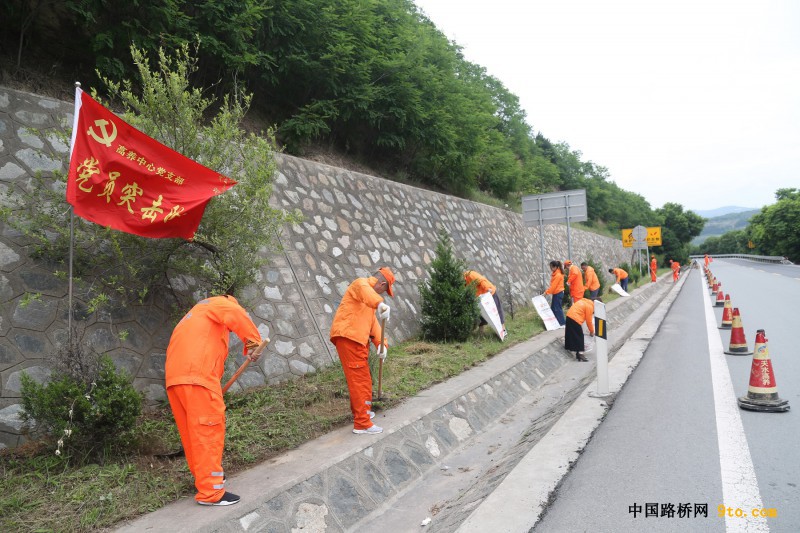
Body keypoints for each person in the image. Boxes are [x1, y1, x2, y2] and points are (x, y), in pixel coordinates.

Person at [165, 294, 263, 506]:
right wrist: (253, 342)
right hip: (197, 377)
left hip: (176, 380)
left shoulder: (195, 313)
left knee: (194, 434)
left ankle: (205, 480)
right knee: (208, 430)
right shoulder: (222, 304)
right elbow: (236, 314)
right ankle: (211, 492)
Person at [330, 267, 395, 435]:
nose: (384, 294)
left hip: (354, 341)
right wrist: (380, 303)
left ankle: (361, 411)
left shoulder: (368, 305)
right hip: (349, 338)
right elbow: (368, 293)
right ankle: (362, 422)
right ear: (381, 284)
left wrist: (382, 345)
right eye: (385, 290)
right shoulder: (361, 284)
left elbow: (374, 326)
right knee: (361, 380)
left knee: (359, 379)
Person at [464, 269, 506, 337]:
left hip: (489, 292)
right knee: (480, 314)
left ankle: (503, 330)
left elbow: (481, 280)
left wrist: (487, 289)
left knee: (497, 311)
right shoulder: (463, 283)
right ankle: (481, 332)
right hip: (480, 297)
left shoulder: (470, 274)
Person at [565, 297, 597, 362]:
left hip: (569, 316)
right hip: (575, 319)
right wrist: (591, 331)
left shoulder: (584, 301)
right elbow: (589, 321)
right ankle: (580, 354)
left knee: (570, 334)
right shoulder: (590, 306)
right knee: (580, 336)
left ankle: (570, 348)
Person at [542, 260, 566, 328]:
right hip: (557, 293)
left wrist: (546, 292)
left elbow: (553, 286)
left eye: (551, 267)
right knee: (553, 308)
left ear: (555, 267)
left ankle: (562, 323)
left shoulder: (557, 275)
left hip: (558, 293)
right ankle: (554, 323)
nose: (550, 269)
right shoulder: (556, 273)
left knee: (557, 308)